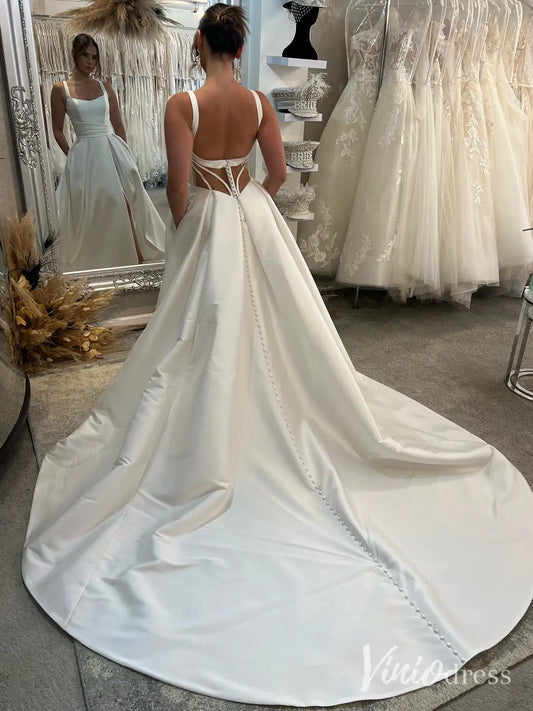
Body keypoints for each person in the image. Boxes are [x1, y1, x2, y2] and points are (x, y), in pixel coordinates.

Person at [23, 4, 533, 706]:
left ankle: (217, 424)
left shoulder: (182, 104)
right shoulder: (261, 101)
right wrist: (247, 205)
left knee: (197, 335)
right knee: (286, 327)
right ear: (239, 45)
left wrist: (200, 228)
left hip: (210, 221)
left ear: (199, 44)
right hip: (254, 217)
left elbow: (178, 191)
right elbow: (277, 174)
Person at [51, 33, 165, 271]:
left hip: (111, 150)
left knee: (124, 201)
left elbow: (119, 124)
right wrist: (72, 154)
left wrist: (125, 155)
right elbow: (57, 130)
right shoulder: (61, 89)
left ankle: (136, 255)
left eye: (94, 57)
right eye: (85, 55)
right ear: (74, 55)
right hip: (84, 154)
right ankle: (101, 257)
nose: (90, 62)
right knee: (92, 208)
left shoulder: (105, 87)